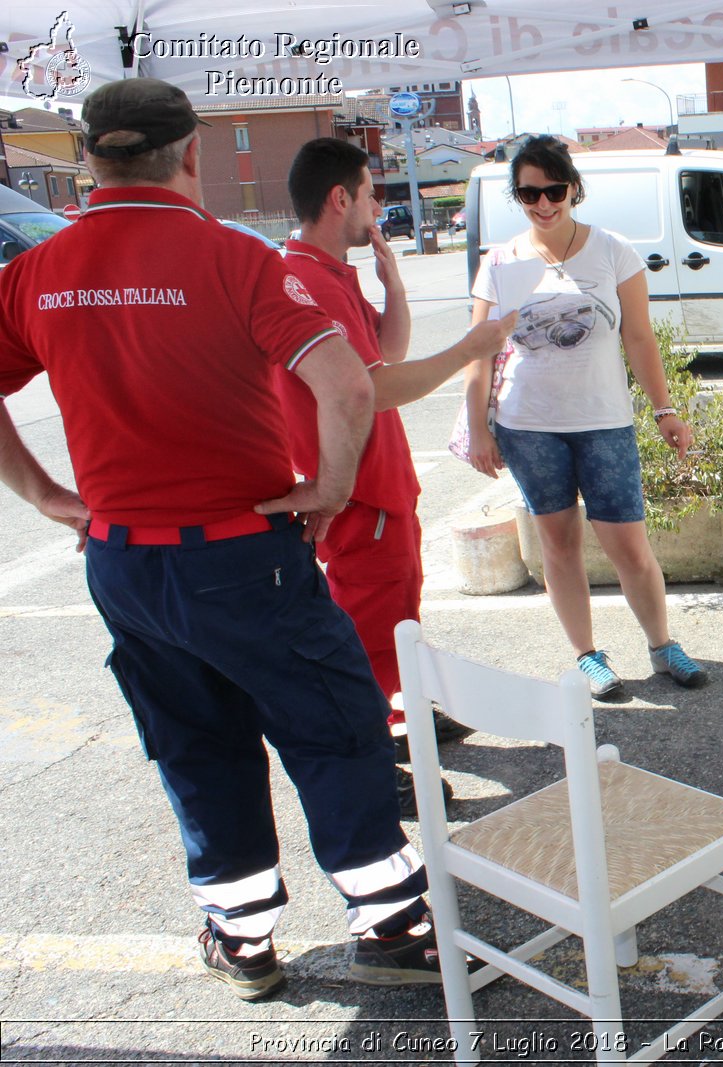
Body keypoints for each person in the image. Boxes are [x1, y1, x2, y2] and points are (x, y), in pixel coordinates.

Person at [0, 79, 445, 1002]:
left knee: (194, 743)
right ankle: (392, 924)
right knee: (332, 723)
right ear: (192, 153)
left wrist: (46, 493)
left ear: (87, 159)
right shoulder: (233, 259)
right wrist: (325, 488)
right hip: (244, 553)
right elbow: (352, 387)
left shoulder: (36, 270)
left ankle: (242, 936)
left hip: (123, 561)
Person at [278, 138, 513, 798]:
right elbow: (372, 388)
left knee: (394, 616)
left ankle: (399, 715)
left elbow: (385, 351)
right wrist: (470, 346)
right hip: (358, 494)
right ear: (340, 198)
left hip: (378, 486)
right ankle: (374, 761)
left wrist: (395, 286)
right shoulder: (304, 279)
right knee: (368, 630)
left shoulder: (329, 271)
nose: (381, 206)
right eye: (372, 192)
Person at [463, 134, 708, 701]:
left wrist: (664, 409)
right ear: (517, 196)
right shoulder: (500, 262)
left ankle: (662, 644)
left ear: (574, 188)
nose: (543, 204)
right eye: (529, 194)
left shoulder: (613, 251)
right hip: (528, 426)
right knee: (559, 544)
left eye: (554, 190)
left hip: (604, 421)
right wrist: (480, 427)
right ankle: (587, 656)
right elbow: (480, 351)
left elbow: (639, 336)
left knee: (629, 545)